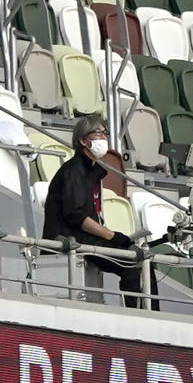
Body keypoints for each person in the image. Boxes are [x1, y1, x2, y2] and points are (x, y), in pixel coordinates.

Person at [42, 115, 159, 309]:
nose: (104, 137)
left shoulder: (93, 172)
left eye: (105, 133)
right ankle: (140, 316)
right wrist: (112, 236)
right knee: (132, 263)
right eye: (98, 133)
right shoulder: (73, 171)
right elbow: (76, 216)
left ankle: (151, 315)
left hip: (84, 239)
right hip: (70, 239)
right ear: (83, 141)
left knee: (142, 259)